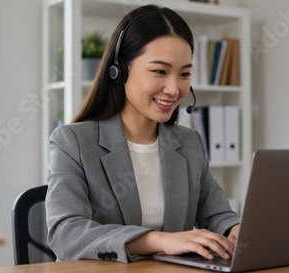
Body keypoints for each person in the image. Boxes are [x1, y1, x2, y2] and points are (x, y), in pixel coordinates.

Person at [45, 4, 240, 263]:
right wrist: (158, 240)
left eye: (184, 74)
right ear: (120, 70)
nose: (173, 89)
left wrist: (235, 230)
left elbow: (217, 215)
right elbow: (66, 234)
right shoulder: (74, 142)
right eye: (160, 71)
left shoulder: (189, 142)